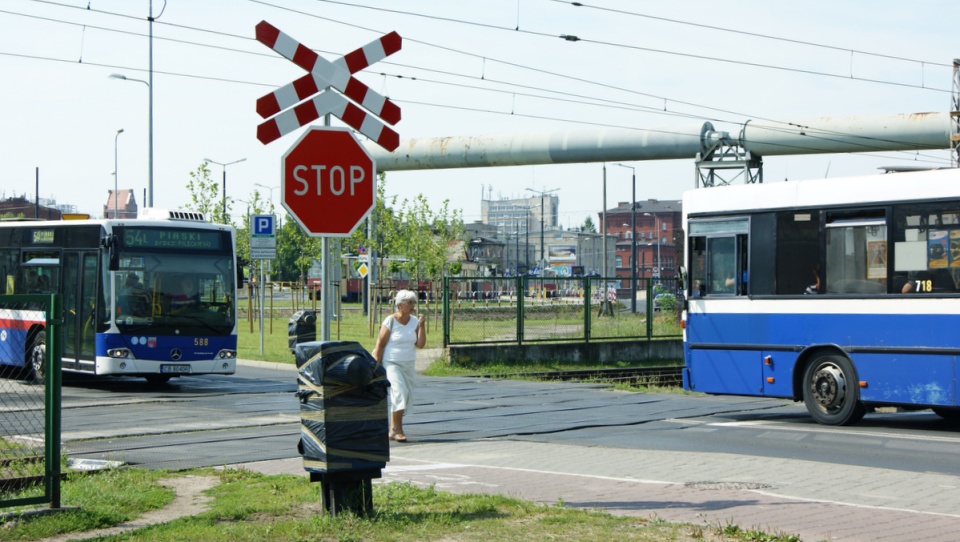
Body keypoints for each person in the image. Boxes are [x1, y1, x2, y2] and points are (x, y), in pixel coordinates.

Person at [371, 289, 426, 443]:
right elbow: (380, 345)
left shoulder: (415, 321)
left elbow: (420, 344)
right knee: (399, 392)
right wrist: (376, 365)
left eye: (413, 302)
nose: (412, 305)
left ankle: (392, 429)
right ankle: (398, 430)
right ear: (400, 305)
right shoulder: (390, 321)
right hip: (392, 362)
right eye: (409, 302)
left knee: (404, 395)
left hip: (408, 363)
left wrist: (421, 326)